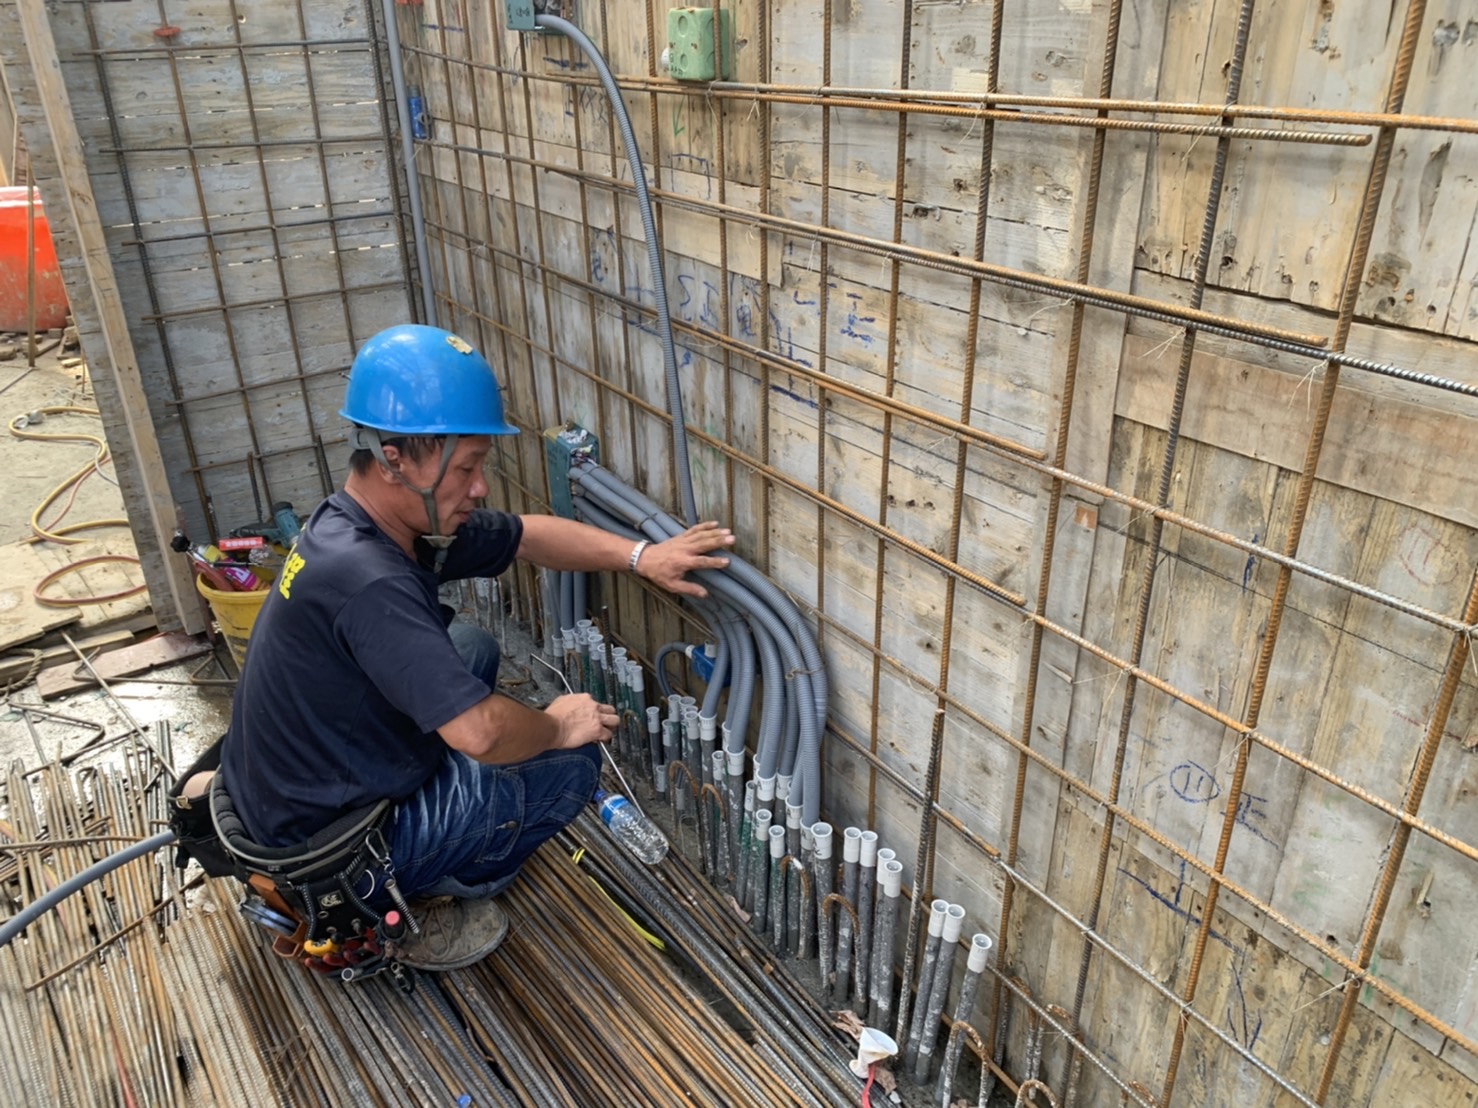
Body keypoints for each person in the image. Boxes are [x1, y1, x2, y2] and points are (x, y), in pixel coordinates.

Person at [218, 323, 734, 970]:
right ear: (394, 459)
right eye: (467, 468)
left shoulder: (367, 522)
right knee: (570, 763)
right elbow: (482, 734)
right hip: (326, 856)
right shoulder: (370, 580)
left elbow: (525, 536)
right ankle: (417, 898)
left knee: (469, 647)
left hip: (295, 794)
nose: (481, 486)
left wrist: (643, 556)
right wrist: (554, 725)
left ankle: (429, 832)